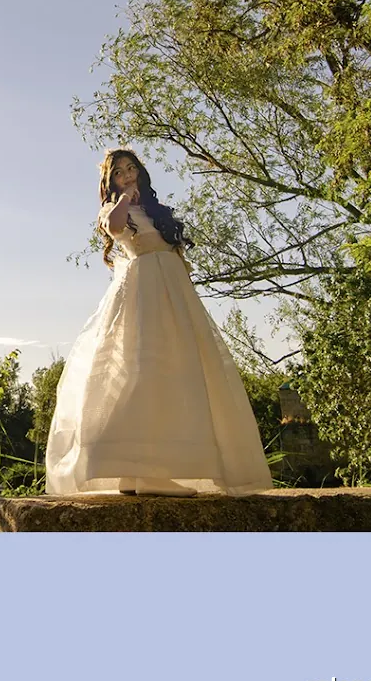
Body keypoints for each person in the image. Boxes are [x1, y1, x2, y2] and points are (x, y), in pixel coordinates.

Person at [46, 148, 273, 497]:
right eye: (119, 171)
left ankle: (150, 472)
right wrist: (121, 198)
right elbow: (115, 227)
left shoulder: (155, 211)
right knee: (140, 369)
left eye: (131, 168)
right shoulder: (114, 209)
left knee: (177, 371)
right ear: (110, 180)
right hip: (142, 290)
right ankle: (137, 472)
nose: (127, 173)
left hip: (173, 291)